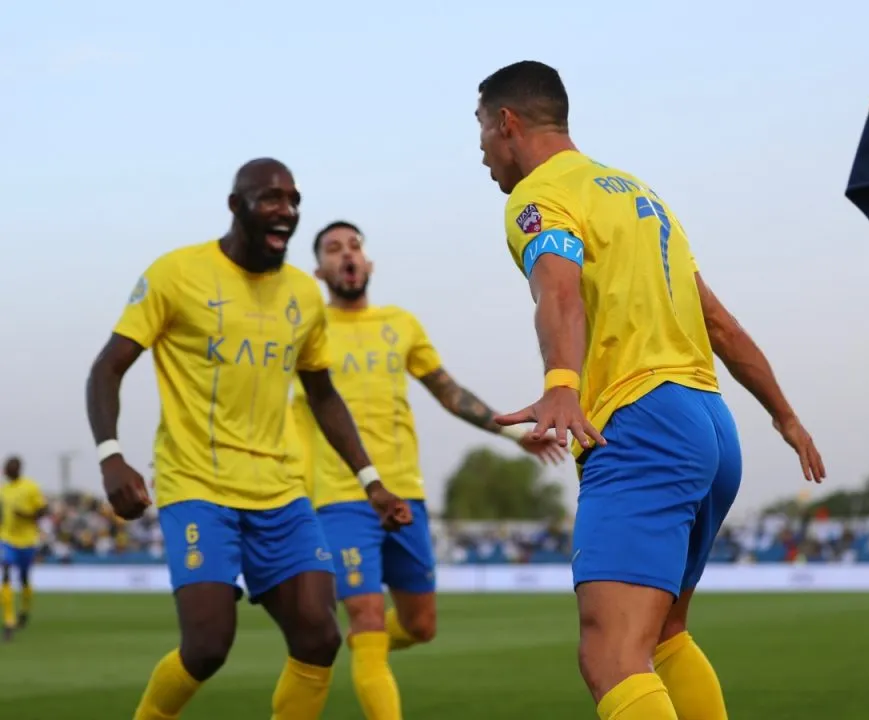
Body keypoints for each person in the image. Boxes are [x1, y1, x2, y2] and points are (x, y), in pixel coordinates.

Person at [475, 61, 827, 720]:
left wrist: (560, 384)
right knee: (665, 635)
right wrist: (784, 415)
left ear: (507, 123)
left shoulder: (538, 195)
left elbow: (557, 287)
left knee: (610, 655)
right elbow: (714, 318)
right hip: (711, 427)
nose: (482, 155)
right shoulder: (640, 196)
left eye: (481, 133)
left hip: (642, 426)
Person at [84, 158, 412, 720]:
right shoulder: (176, 274)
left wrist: (371, 481)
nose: (285, 210)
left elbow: (323, 394)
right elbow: (107, 369)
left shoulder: (304, 296)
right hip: (198, 486)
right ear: (236, 207)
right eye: (270, 199)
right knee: (208, 647)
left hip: (281, 492)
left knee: (320, 639)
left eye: (292, 200)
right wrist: (111, 456)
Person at [291, 220, 566, 719]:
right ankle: (368, 646)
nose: (346, 255)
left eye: (354, 246)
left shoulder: (401, 324)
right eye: (333, 249)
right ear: (319, 270)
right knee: (369, 616)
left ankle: (364, 646)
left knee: (420, 626)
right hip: (340, 495)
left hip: (406, 496)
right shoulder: (306, 329)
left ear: (368, 262)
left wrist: (511, 434)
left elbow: (447, 391)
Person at [0, 456, 48, 641]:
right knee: (5, 572)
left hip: (27, 541)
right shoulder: (3, 491)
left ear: (19, 468)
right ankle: (9, 620)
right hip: (6, 539)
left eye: (11, 467)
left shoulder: (31, 487)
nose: (7, 470)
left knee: (24, 579)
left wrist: (26, 515)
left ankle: (25, 611)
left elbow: (43, 510)